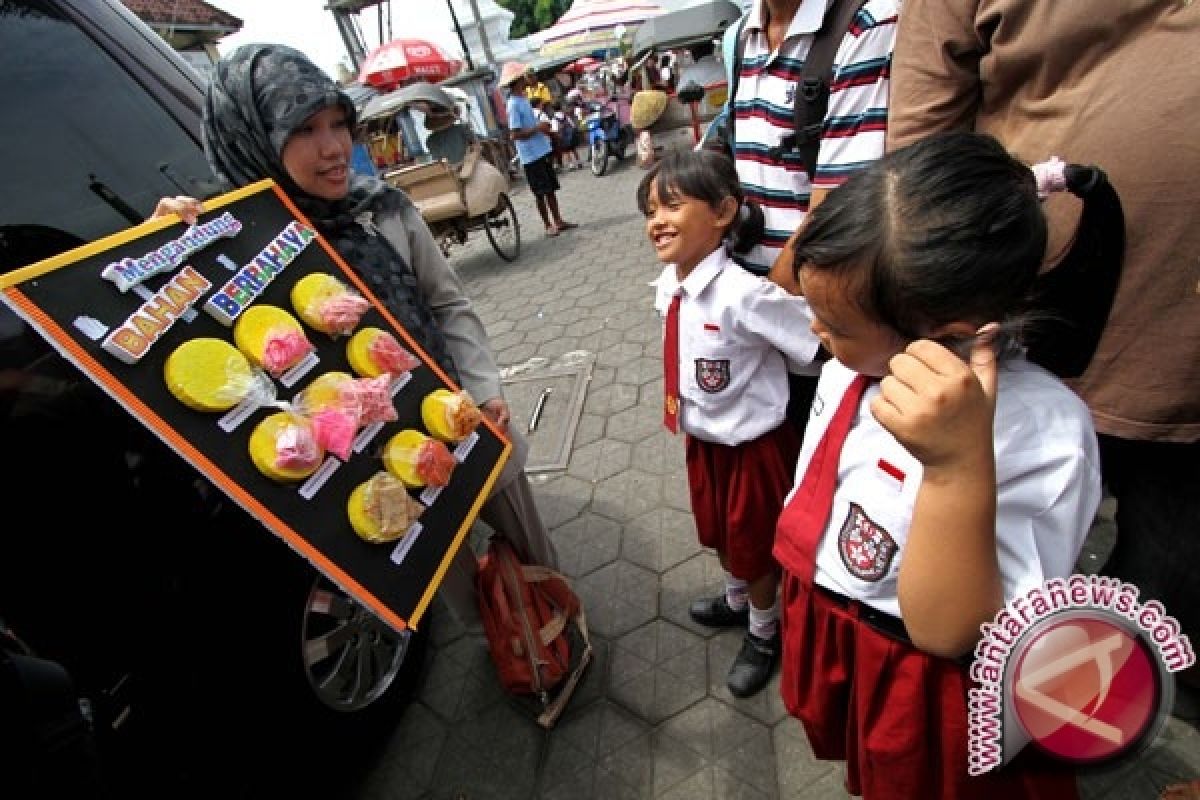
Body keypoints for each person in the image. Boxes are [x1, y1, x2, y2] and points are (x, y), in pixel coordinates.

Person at [155, 43, 559, 629]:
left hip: (463, 416)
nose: (334, 147)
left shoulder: (383, 209)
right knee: (463, 592)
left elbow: (449, 305)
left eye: (339, 123)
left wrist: (483, 386)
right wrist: (163, 246)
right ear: (254, 140)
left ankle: (562, 630)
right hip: (371, 466)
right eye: (305, 130)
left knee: (538, 558)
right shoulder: (235, 244)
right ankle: (510, 652)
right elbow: (184, 345)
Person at [887, 3, 1200, 758]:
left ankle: (1108, 716)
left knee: (1174, 574)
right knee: (1041, 572)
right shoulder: (989, 405)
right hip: (1027, 336)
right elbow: (920, 140)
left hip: (1178, 363)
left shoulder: (1038, 430)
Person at [774, 132, 1106, 798]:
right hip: (851, 634)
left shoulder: (1042, 433)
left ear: (949, 332)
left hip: (932, 688)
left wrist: (956, 468)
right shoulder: (858, 368)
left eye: (832, 323)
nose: (815, 334)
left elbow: (955, 630)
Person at [639, 149, 820, 697]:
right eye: (650, 211)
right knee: (718, 534)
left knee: (756, 546)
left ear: (721, 212)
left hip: (754, 449)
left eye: (672, 206)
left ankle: (766, 632)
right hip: (704, 442)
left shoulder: (747, 294)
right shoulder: (668, 287)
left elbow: (811, 343)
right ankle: (738, 600)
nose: (657, 222)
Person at [725, 0, 899, 438]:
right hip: (760, 323)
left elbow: (839, 205)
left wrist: (751, 308)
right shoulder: (743, 33)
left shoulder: (865, 22)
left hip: (820, 325)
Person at [497, 61, 579, 238]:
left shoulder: (524, 98)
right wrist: (538, 129)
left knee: (550, 189)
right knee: (540, 193)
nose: (527, 79)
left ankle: (558, 220)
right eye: (523, 77)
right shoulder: (513, 104)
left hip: (541, 150)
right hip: (530, 156)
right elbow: (515, 134)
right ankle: (548, 224)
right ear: (518, 80)